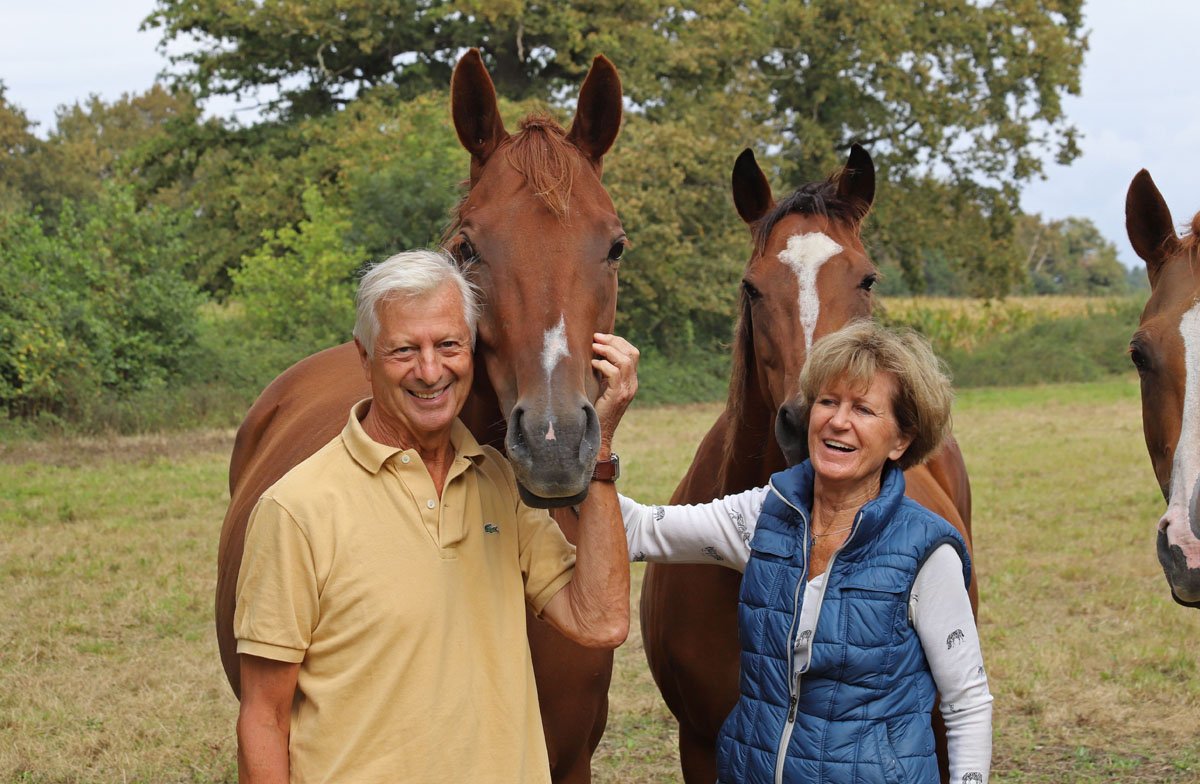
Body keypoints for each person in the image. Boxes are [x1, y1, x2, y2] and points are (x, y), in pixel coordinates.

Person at [233, 249, 637, 783]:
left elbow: (602, 619)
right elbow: (263, 718)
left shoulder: (498, 484)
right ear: (365, 357)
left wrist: (599, 449)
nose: (430, 371)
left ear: (471, 350)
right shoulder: (296, 508)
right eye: (404, 349)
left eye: (448, 345)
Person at [618, 320, 993, 783]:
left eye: (863, 409)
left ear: (901, 440)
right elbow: (637, 530)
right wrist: (599, 439)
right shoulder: (762, 515)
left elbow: (966, 701)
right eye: (828, 401)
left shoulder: (927, 553)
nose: (838, 421)